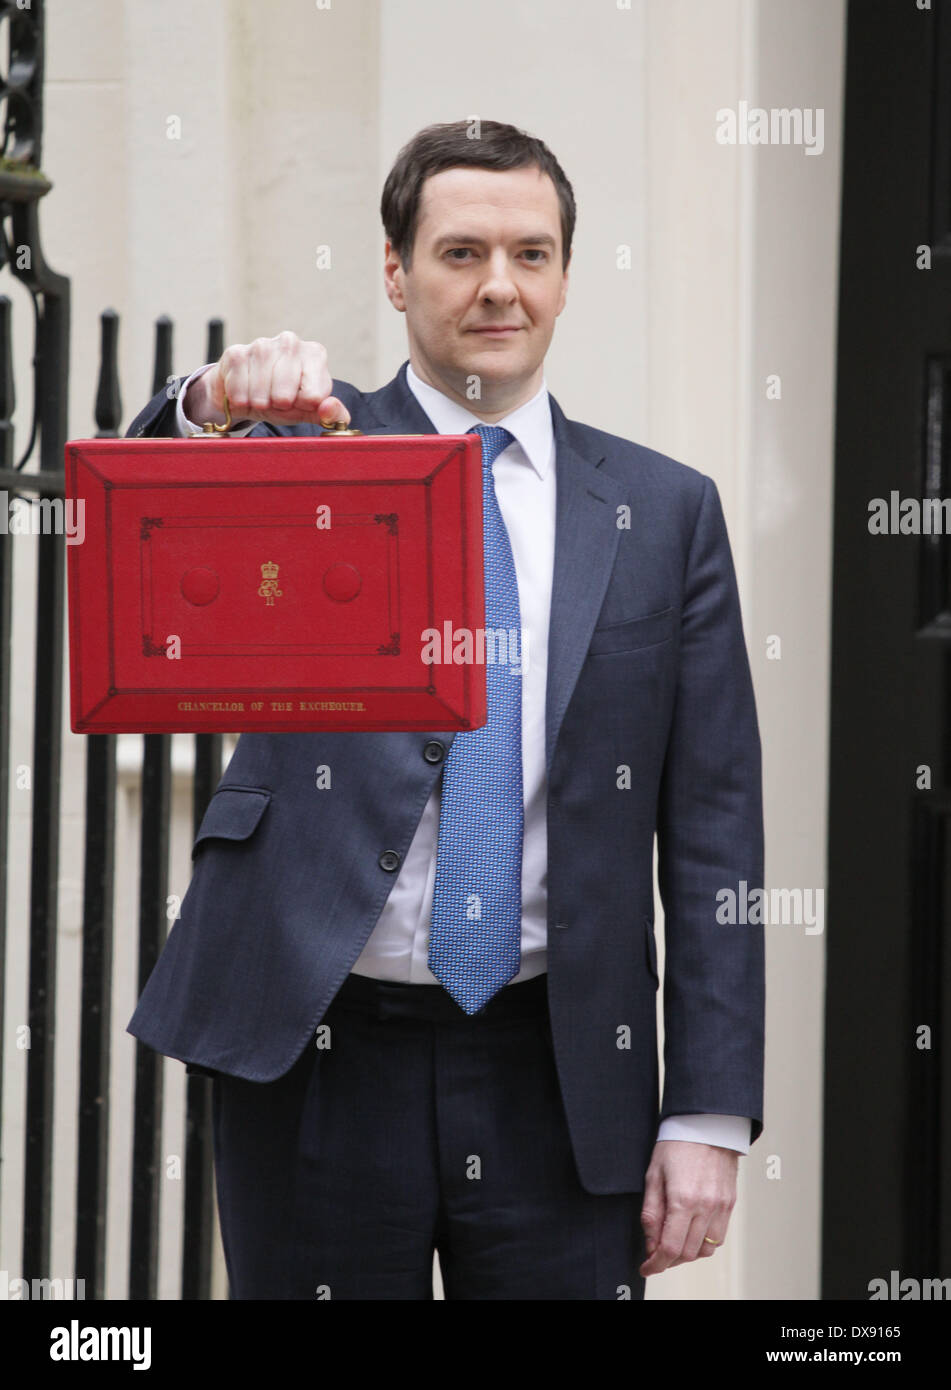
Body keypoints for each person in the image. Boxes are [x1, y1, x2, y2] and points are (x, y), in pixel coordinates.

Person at [126, 119, 765, 1301]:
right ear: (395, 270)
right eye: (461, 252)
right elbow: (136, 538)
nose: (498, 287)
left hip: (559, 1066)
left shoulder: (666, 513)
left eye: (532, 253)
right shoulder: (300, 453)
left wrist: (710, 1110)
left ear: (567, 274)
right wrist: (206, 404)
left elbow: (718, 821)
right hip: (318, 1047)